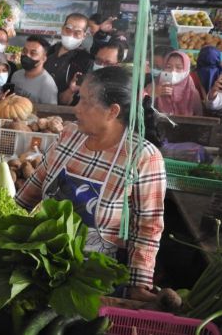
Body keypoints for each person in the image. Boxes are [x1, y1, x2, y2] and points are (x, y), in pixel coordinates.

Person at [16, 66, 165, 302]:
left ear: (112, 111)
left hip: (93, 280)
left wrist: (139, 283)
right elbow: (37, 182)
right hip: (41, 263)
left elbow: (147, 228)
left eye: (86, 102)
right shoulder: (69, 135)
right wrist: (8, 216)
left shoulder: (143, 157)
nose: (77, 108)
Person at [45, 13, 93, 105]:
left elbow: (78, 97)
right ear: (62, 29)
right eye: (68, 29)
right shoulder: (49, 50)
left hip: (64, 111)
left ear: (84, 35)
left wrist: (71, 90)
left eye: (77, 32)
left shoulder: (86, 61)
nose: (71, 35)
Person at [148, 51, 203, 116]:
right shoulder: (156, 84)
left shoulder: (192, 92)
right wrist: (153, 94)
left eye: (179, 67)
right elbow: (141, 103)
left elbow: (199, 116)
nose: (173, 71)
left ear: (186, 70)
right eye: (168, 67)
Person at [10, 35, 58, 105]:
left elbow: (50, 113)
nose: (27, 55)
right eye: (24, 51)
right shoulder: (16, 75)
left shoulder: (48, 85)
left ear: (44, 59)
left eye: (33, 53)